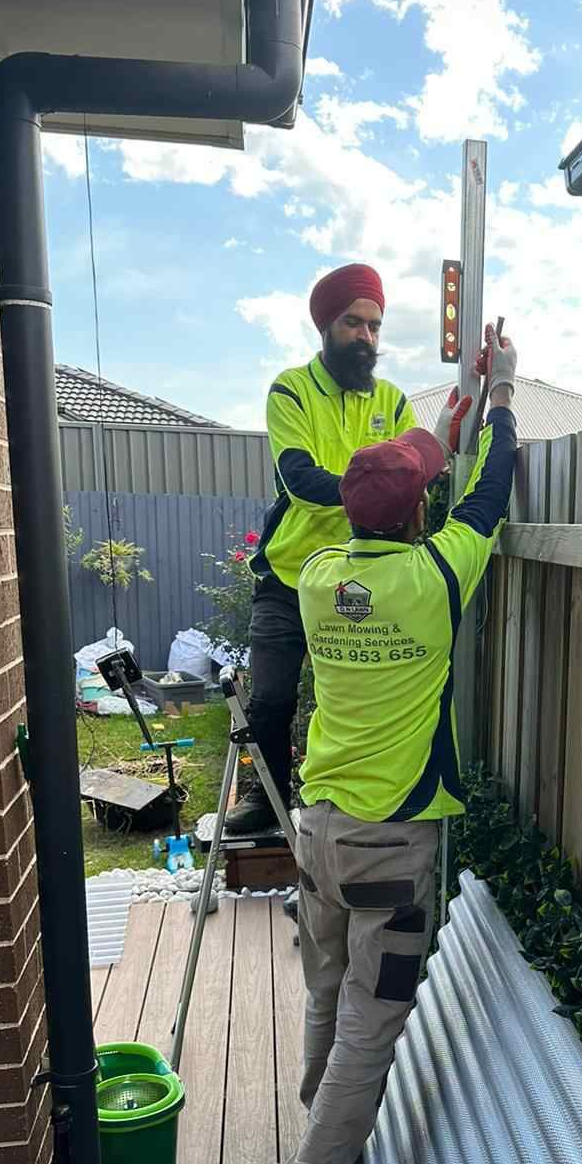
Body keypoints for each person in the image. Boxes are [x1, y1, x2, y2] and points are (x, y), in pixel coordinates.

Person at [252, 324, 518, 1164]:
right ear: (415, 517)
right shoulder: (436, 576)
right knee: (374, 1023)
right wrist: (503, 403)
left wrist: (443, 421)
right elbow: (488, 496)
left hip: (318, 838)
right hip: (391, 851)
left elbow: (406, 481)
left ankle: (317, 1136)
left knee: (325, 989)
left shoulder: (322, 578)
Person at [226, 263, 417, 834]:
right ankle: (266, 801)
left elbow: (413, 480)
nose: (366, 337)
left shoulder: (393, 401)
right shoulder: (292, 390)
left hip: (357, 580)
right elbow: (299, 481)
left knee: (357, 698)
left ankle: (353, 803)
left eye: (374, 327)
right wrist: (374, 490)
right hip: (288, 576)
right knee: (272, 697)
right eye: (353, 324)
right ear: (326, 327)